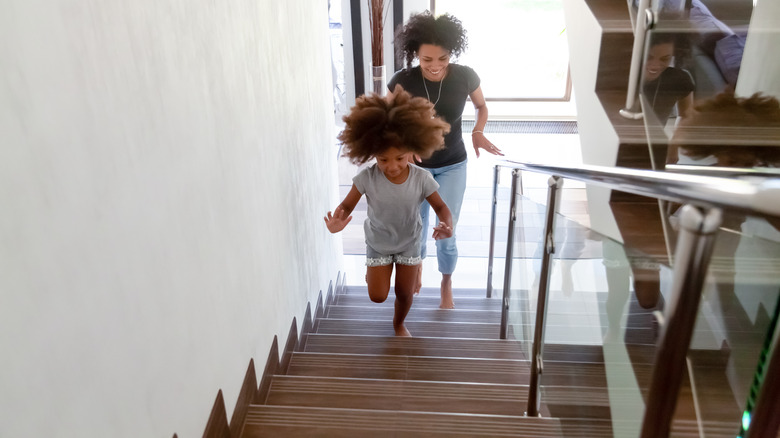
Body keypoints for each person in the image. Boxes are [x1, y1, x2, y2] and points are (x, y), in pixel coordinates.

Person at [388, 11, 503, 309]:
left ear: (452, 52)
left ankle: (446, 282)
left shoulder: (465, 76)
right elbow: (385, 118)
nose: (436, 66)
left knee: (445, 229)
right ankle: (419, 266)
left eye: (443, 58)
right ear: (415, 55)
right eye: (427, 60)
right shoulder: (402, 80)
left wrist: (478, 131)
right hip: (414, 168)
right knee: (417, 226)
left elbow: (481, 106)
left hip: (453, 163)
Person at [324, 89, 454, 337]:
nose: (392, 167)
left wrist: (446, 224)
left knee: (404, 293)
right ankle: (375, 274)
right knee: (377, 296)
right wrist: (338, 220)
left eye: (400, 158)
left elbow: (441, 207)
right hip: (379, 242)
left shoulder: (421, 178)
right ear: (371, 152)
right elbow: (348, 205)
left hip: (409, 242)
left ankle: (398, 324)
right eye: (383, 160)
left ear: (413, 149)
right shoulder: (366, 177)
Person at [642, 32, 695, 125]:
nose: (655, 65)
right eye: (648, 57)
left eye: (664, 59)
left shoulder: (679, 80)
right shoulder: (618, 77)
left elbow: (686, 119)